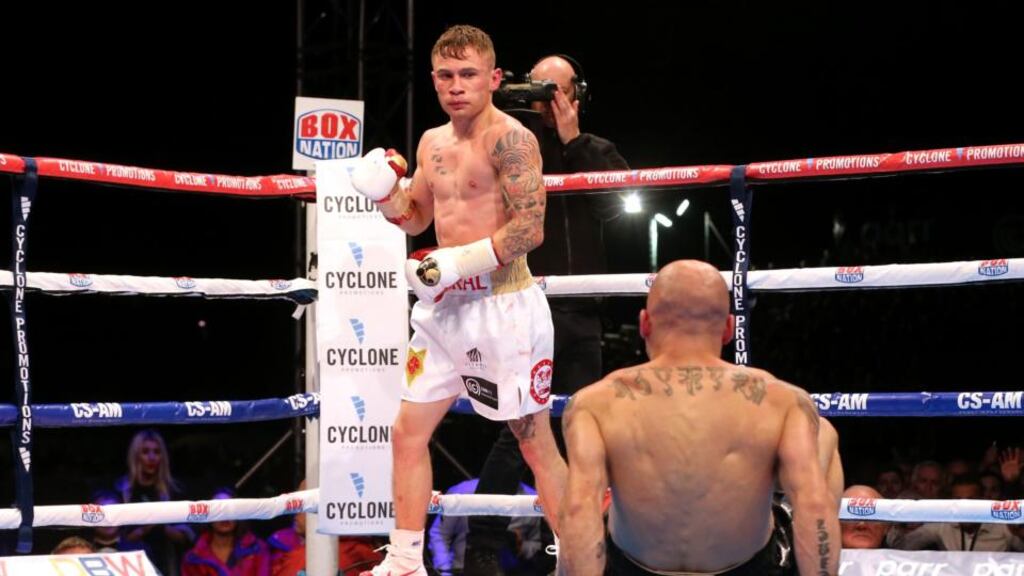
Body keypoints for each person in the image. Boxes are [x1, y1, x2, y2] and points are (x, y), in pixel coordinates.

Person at [347, 24, 565, 576]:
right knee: (406, 432)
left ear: (493, 78)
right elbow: (416, 216)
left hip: (503, 308)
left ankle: (581, 558)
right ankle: (403, 561)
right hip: (444, 310)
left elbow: (530, 228)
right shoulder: (431, 143)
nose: (456, 86)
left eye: (468, 74)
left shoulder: (512, 139)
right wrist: (383, 196)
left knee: (533, 440)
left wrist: (459, 260)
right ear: (434, 81)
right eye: (445, 75)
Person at [558, 260, 840, 575]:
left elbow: (580, 508)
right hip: (751, 567)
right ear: (729, 329)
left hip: (632, 567)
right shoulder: (782, 400)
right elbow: (814, 504)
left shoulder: (595, 403)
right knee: (825, 433)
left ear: (644, 324)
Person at [466, 53, 629, 574]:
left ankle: (579, 543)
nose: (545, 102)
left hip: (580, 311)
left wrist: (573, 140)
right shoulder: (508, 145)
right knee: (518, 428)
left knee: (583, 428)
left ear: (575, 94)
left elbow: (615, 207)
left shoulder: (595, 151)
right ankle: (483, 547)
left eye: (554, 91)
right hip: (519, 303)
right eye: (537, 90)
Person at [116, 428, 195, 575]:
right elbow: (117, 537)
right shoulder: (122, 491)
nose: (152, 457)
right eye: (145, 452)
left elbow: (187, 536)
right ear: (136, 456)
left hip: (167, 561)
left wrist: (161, 525)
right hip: (130, 564)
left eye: (157, 452)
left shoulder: (174, 490)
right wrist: (145, 527)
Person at [429, 478, 542, 575]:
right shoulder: (463, 491)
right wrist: (444, 570)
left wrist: (521, 546)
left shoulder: (534, 498)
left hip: (511, 570)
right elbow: (439, 533)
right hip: (462, 570)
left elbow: (537, 544)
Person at [887, 475, 1024, 552]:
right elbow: (902, 547)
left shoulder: (1003, 526)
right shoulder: (942, 525)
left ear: (982, 500)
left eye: (970, 500)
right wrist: (898, 524)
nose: (964, 507)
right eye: (958, 501)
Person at [181, 487, 271, 576]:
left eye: (229, 509)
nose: (224, 516)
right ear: (207, 516)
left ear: (238, 514)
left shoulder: (258, 549)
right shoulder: (193, 558)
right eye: (218, 510)